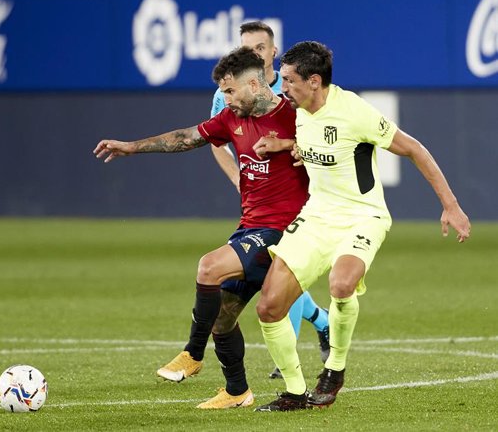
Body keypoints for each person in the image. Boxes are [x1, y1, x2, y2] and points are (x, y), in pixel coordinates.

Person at [252, 41, 471, 412]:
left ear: (314, 80)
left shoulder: (353, 111)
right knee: (269, 307)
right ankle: (294, 392)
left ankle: (334, 370)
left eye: (288, 80)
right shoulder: (301, 111)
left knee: (341, 282)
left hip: (362, 214)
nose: (282, 87)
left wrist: (450, 206)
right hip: (317, 215)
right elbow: (320, 146)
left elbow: (415, 149)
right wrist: (284, 145)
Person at [95, 46, 310, 409]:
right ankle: (237, 392)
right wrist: (133, 147)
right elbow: (186, 137)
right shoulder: (230, 118)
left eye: (229, 91)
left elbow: (334, 145)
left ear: (256, 84)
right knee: (222, 316)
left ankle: (192, 355)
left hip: (285, 232)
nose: (224, 99)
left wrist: (295, 145)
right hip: (250, 228)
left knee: (209, 267)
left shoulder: (296, 115)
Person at [205, 20, 330, 381]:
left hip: (297, 199)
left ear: (274, 52)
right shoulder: (228, 93)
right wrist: (237, 178)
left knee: (279, 271)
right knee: (271, 272)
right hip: (257, 198)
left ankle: (285, 353)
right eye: (247, 48)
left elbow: (320, 134)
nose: (254, 54)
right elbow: (217, 140)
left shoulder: (292, 88)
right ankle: (321, 322)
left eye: (260, 48)